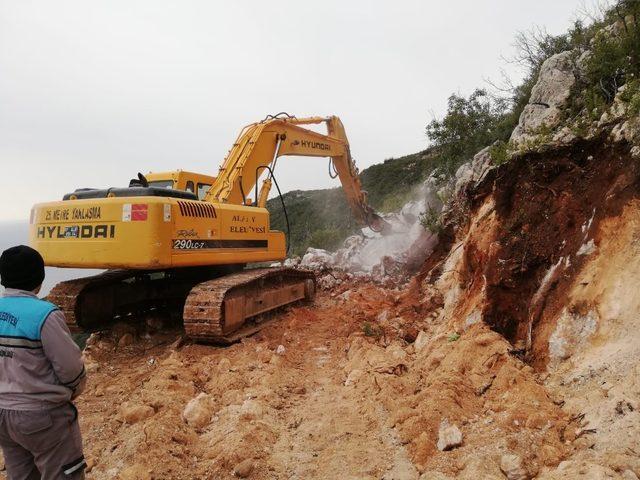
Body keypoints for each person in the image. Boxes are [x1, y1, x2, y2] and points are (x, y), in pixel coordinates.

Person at [0, 245, 87, 479]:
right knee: (64, 473)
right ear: (39, 278)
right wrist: (72, 391)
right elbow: (70, 368)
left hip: (4, 415)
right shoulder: (44, 315)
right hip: (43, 417)